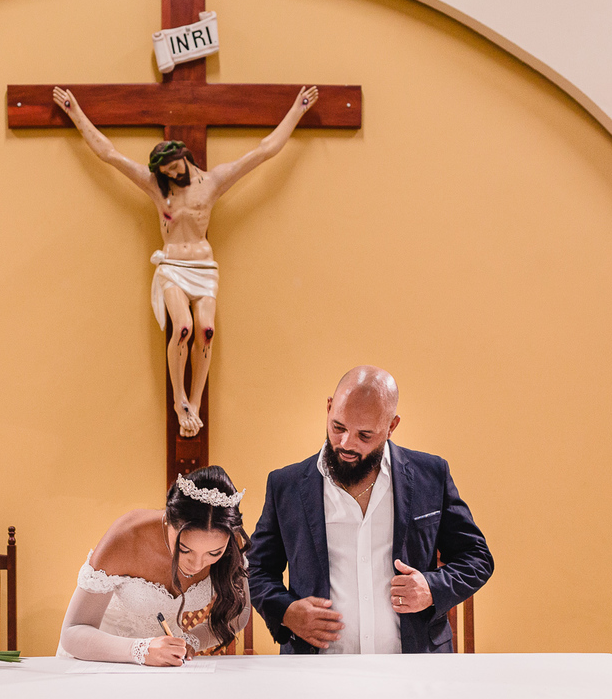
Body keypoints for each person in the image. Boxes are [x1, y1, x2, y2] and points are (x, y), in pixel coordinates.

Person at [52, 85, 319, 436]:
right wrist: (74, 111)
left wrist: (298, 109)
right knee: (183, 328)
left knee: (206, 331)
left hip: (204, 269)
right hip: (173, 267)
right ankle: (180, 400)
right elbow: (109, 154)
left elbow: (264, 151)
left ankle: (195, 401)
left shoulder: (213, 182)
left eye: (174, 167)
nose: (171, 175)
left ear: (185, 157)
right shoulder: (155, 185)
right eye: (165, 171)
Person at [247, 366, 493, 654]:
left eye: (364, 435)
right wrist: (286, 612)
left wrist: (431, 588)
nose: (346, 443)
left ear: (391, 426)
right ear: (329, 408)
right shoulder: (284, 486)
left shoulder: (431, 475)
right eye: (338, 427)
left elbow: (477, 558)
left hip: (416, 667)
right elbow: (256, 569)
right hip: (316, 669)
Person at [57, 466, 252, 665]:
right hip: (98, 659)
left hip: (164, 666)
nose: (197, 564)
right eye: (185, 549)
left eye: (214, 553)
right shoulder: (127, 536)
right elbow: (72, 632)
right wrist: (141, 650)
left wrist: (193, 640)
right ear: (168, 521)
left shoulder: (232, 544)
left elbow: (239, 613)